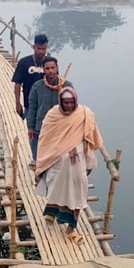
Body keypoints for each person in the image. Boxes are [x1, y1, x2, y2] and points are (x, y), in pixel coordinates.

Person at [35, 87, 104, 245]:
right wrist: (44, 161)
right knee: (55, 188)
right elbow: (46, 138)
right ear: (61, 102)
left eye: (71, 102)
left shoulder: (84, 114)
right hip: (57, 162)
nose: (68, 105)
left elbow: (91, 135)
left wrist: (89, 160)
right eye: (65, 102)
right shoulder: (53, 115)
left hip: (77, 162)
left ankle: (71, 228)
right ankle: (51, 213)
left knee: (77, 194)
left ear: (75, 101)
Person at [25, 56, 72, 161]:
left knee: (59, 161)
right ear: (43, 69)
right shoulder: (37, 87)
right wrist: (30, 127)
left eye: (53, 68)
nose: (50, 71)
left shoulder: (66, 86)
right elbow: (32, 108)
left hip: (60, 129)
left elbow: (73, 109)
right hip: (40, 129)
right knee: (38, 160)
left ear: (57, 68)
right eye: (47, 68)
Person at [12, 34, 48, 121]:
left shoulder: (50, 63)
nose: (41, 52)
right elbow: (17, 84)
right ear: (34, 47)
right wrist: (17, 103)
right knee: (31, 129)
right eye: (39, 48)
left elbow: (56, 83)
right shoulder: (24, 63)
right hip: (29, 104)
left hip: (47, 104)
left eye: (43, 49)